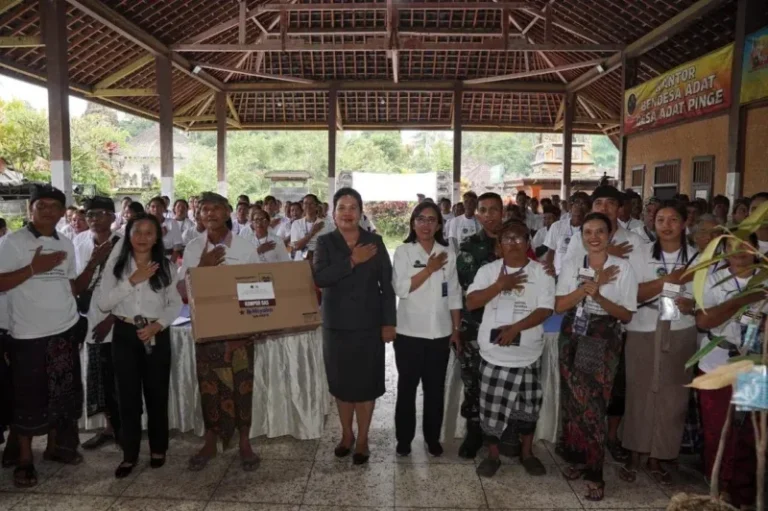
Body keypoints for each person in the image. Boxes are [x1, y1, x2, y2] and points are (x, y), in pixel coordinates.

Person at [0, 185, 89, 487]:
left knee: (61, 395)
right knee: (28, 399)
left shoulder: (65, 241)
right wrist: (33, 268)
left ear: (63, 211)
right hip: (28, 334)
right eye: (41, 205)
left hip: (64, 329)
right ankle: (25, 460)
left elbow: (71, 285)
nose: (48, 210)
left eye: (54, 206)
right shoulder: (12, 242)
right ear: (30, 210)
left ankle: (55, 448)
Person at [555, 212, 638, 502]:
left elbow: (627, 314)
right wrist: (586, 287)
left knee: (592, 403)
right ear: (581, 236)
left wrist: (599, 293)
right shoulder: (572, 265)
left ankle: (594, 472)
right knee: (573, 400)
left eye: (600, 231)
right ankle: (577, 458)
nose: (593, 237)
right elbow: (559, 305)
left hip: (601, 335)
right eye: (588, 231)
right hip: (572, 333)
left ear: (609, 235)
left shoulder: (623, 267)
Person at [313, 187, 396, 465]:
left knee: (366, 385)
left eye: (353, 207)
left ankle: (363, 440)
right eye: (342, 207)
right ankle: (346, 435)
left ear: (361, 212)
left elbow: (387, 285)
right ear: (333, 213)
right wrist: (352, 261)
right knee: (341, 385)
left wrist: (388, 323)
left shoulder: (375, 241)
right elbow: (320, 278)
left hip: (369, 326)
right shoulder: (324, 243)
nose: (347, 213)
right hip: (335, 327)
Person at [181, 192, 262, 472]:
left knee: (242, 385)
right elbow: (181, 291)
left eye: (217, 208)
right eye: (205, 209)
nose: (211, 213)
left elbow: (259, 289)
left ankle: (244, 442)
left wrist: (246, 330)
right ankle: (210, 440)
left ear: (228, 213)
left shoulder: (246, 247)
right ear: (198, 215)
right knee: (209, 387)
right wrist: (202, 268)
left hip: (240, 330)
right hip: (207, 328)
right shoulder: (192, 248)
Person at [466, 221, 554, 478]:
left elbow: (546, 309)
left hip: (528, 353)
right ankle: (493, 456)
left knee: (528, 408)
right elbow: (471, 302)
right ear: (498, 245)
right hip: (493, 354)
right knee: (491, 408)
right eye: (507, 238)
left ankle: (527, 454)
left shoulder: (542, 272)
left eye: (519, 238)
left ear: (528, 243)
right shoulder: (488, 271)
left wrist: (516, 328)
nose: (513, 243)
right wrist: (499, 285)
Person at [96, 213, 181, 478]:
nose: (142, 238)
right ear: (128, 235)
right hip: (124, 333)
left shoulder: (166, 266)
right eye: (137, 232)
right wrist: (133, 279)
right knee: (127, 398)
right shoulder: (116, 266)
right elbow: (103, 303)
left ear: (157, 237)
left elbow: (175, 303)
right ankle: (129, 454)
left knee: (157, 395)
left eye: (149, 233)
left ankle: (158, 449)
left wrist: (159, 325)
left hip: (156, 332)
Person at [620, 201, 698, 485]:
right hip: (643, 326)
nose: (666, 225)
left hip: (680, 328)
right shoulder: (640, 253)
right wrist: (669, 280)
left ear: (684, 223)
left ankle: (660, 456)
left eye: (673, 220)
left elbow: (704, 298)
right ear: (653, 223)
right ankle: (634, 452)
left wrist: (691, 303)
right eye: (661, 219)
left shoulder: (698, 257)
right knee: (639, 391)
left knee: (673, 396)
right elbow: (633, 294)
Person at [696, 234, 765, 509]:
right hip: (716, 363)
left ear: (756, 249)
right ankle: (719, 491)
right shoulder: (713, 279)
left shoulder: (765, 278)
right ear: (723, 251)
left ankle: (744, 494)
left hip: (756, 366)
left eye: (744, 245)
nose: (738, 252)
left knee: (751, 432)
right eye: (730, 246)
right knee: (717, 430)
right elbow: (704, 320)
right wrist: (741, 301)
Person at [391, 202, 461, 458]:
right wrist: (429, 270)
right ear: (413, 223)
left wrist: (455, 328)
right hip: (409, 333)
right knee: (407, 388)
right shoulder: (403, 252)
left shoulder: (448, 251)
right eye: (421, 219)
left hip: (440, 333)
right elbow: (401, 288)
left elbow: (454, 292)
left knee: (435, 389)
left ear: (439, 225)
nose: (426, 225)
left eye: (432, 220)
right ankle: (404, 439)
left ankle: (432, 438)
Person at [454, 192, 508, 459]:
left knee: (504, 380)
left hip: (509, 325)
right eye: (483, 210)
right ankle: (474, 432)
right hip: (475, 326)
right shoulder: (469, 246)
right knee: (473, 382)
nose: (489, 216)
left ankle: (502, 434)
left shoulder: (518, 241)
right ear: (477, 214)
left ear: (503, 213)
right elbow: (468, 290)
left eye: (494, 210)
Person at [75, 197, 123, 451]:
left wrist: (113, 317)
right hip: (90, 319)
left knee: (119, 376)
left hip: (118, 321)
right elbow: (76, 282)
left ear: (113, 217)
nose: (94, 219)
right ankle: (108, 427)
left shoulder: (124, 243)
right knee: (99, 376)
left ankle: (124, 428)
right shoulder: (79, 242)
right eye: (90, 214)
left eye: (101, 213)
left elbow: (133, 284)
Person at [544, 202, 586, 276]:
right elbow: (551, 251)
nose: (577, 218)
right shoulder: (557, 226)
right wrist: (549, 268)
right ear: (570, 210)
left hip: (579, 275)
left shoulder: (588, 229)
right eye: (574, 215)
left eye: (579, 215)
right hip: (558, 273)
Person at [291, 194, 334, 262]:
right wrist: (312, 232)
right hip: (301, 261)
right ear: (302, 206)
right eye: (305, 203)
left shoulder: (326, 224)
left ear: (316, 206)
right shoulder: (296, 224)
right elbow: (296, 246)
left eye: (311, 203)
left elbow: (332, 245)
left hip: (321, 261)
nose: (308, 206)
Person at [147, 196, 183, 261]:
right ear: (149, 209)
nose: (156, 209)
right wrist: (159, 235)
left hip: (169, 258)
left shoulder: (172, 222)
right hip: (150, 260)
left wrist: (170, 264)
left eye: (159, 206)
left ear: (164, 208)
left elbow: (177, 246)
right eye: (153, 207)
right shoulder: (145, 224)